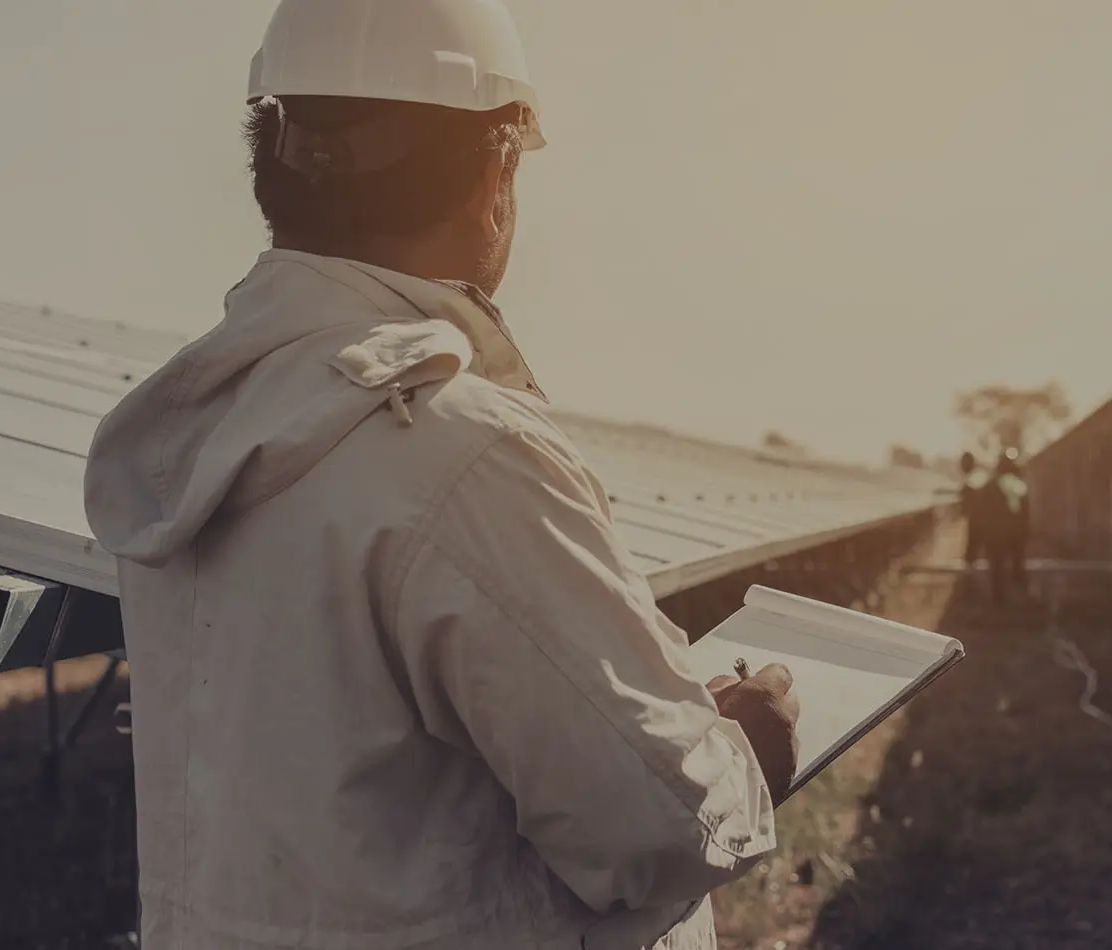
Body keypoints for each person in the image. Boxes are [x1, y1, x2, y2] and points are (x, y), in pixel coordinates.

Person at [82, 3, 799, 948]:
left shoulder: (196, 432)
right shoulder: (464, 456)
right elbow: (656, 826)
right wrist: (750, 746)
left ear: (273, 165)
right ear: (495, 174)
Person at [985, 446, 1031, 603]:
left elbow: (986, 515)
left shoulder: (990, 487)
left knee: (997, 568)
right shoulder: (1020, 486)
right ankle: (1021, 594)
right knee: (1018, 564)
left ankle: (1000, 600)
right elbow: (1025, 515)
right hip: (1016, 536)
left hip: (997, 536)